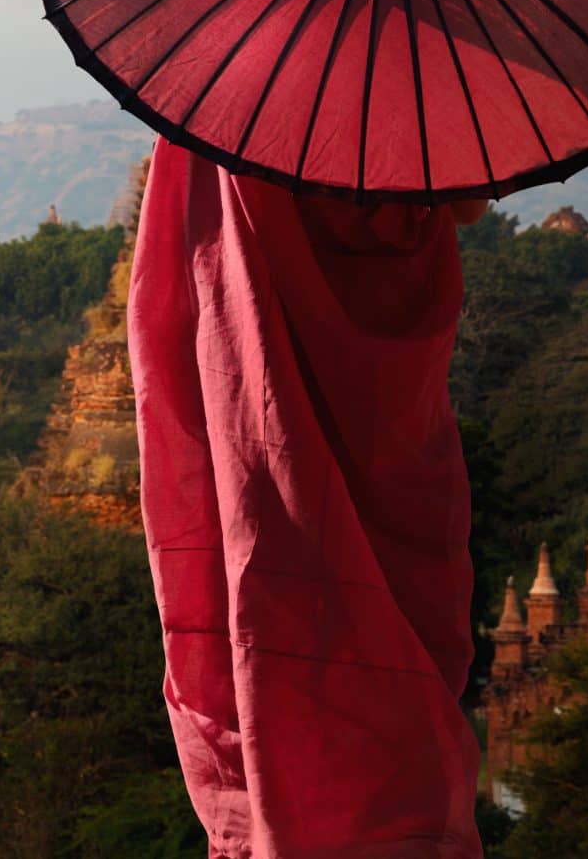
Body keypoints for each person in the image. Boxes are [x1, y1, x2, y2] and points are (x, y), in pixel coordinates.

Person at [131, 139, 490, 859]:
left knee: (266, 571)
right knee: (393, 643)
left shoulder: (221, 84)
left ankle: (272, 820)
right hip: (389, 403)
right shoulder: (420, 67)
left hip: (252, 391)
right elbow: (470, 207)